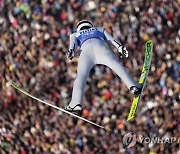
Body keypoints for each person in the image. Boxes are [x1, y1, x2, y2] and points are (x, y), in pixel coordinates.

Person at [65, 19, 142, 116]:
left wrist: (71, 52)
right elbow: (111, 40)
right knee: (117, 67)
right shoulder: (100, 29)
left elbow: (72, 46)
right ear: (90, 25)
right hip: (101, 48)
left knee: (80, 78)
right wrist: (120, 47)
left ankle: (75, 104)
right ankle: (133, 86)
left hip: (86, 52)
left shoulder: (74, 34)